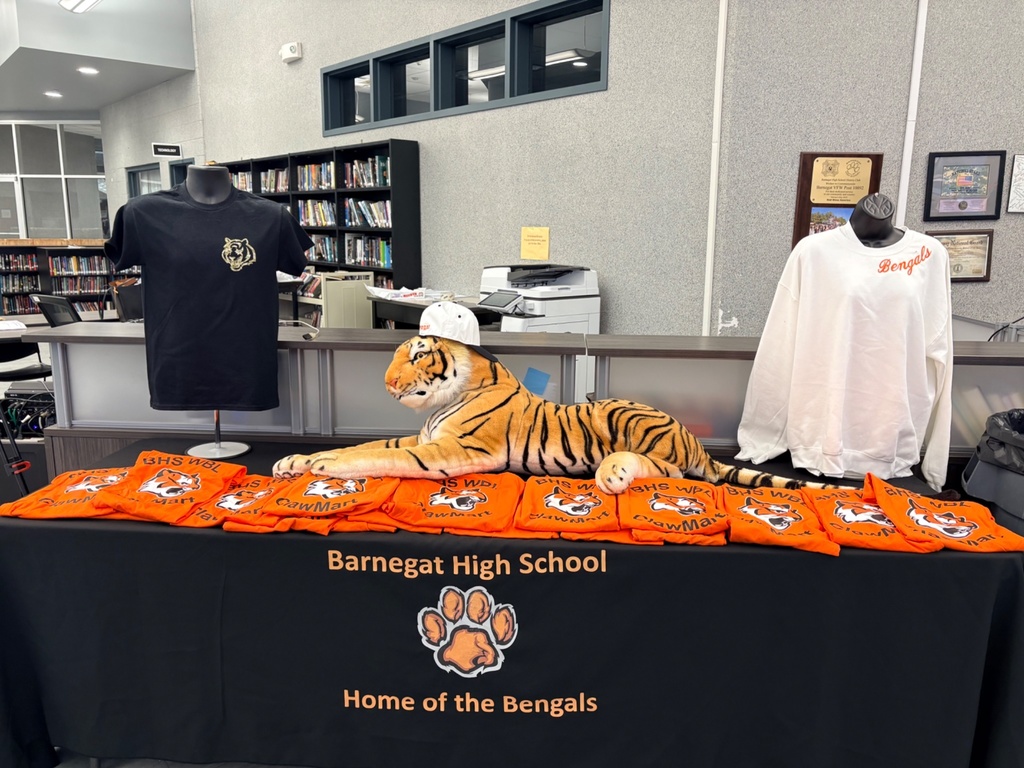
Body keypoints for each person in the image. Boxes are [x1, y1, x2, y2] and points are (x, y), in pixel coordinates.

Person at [736, 193, 954, 490]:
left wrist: (936, 464)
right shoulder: (814, 252)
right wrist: (762, 435)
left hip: (892, 445)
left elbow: (940, 348)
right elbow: (780, 342)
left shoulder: (929, 253)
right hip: (819, 440)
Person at [103, 162, 313, 412]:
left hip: (247, 368)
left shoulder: (270, 216)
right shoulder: (141, 214)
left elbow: (295, 264)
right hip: (178, 368)